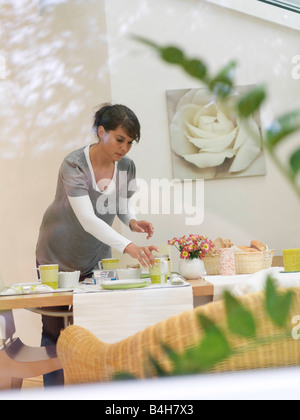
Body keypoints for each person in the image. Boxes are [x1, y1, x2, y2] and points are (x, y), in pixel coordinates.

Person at [36, 104, 159, 386]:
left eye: (130, 142)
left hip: (95, 257)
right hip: (57, 254)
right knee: (54, 332)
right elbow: (88, 220)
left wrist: (132, 222)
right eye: (120, 139)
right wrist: (130, 247)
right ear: (101, 132)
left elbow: (120, 205)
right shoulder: (75, 164)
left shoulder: (126, 166)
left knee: (98, 328)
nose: (125, 148)